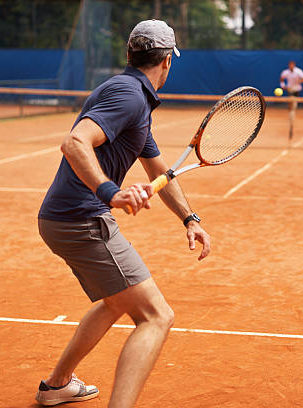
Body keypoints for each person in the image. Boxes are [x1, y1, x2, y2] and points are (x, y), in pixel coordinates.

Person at [35, 20, 211, 408]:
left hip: (64, 217)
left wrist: (190, 219)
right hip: (82, 219)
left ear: (130, 54)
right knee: (156, 316)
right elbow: (74, 142)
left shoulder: (134, 102)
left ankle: (57, 385)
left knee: (116, 301)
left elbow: (159, 172)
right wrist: (111, 192)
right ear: (167, 61)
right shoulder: (129, 96)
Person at [279, 60, 303, 140]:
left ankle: (292, 115)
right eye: (290, 65)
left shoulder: (299, 71)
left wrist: (299, 81)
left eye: (292, 65)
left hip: (296, 90)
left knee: (294, 106)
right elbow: (281, 78)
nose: (291, 66)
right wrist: (283, 85)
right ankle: (291, 118)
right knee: (291, 106)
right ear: (289, 65)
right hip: (290, 90)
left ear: (294, 65)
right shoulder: (285, 72)